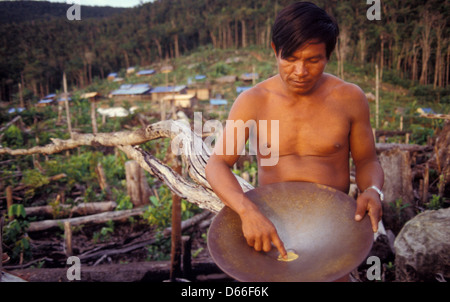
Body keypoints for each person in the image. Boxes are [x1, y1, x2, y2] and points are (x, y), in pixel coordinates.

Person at [205, 1, 384, 281]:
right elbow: (218, 163)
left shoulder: (350, 98)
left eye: (313, 60)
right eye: (290, 59)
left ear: (328, 56)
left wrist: (372, 189)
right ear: (276, 50)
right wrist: (245, 210)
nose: (300, 72)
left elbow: (367, 160)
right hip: (272, 226)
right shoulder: (253, 101)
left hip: (331, 227)